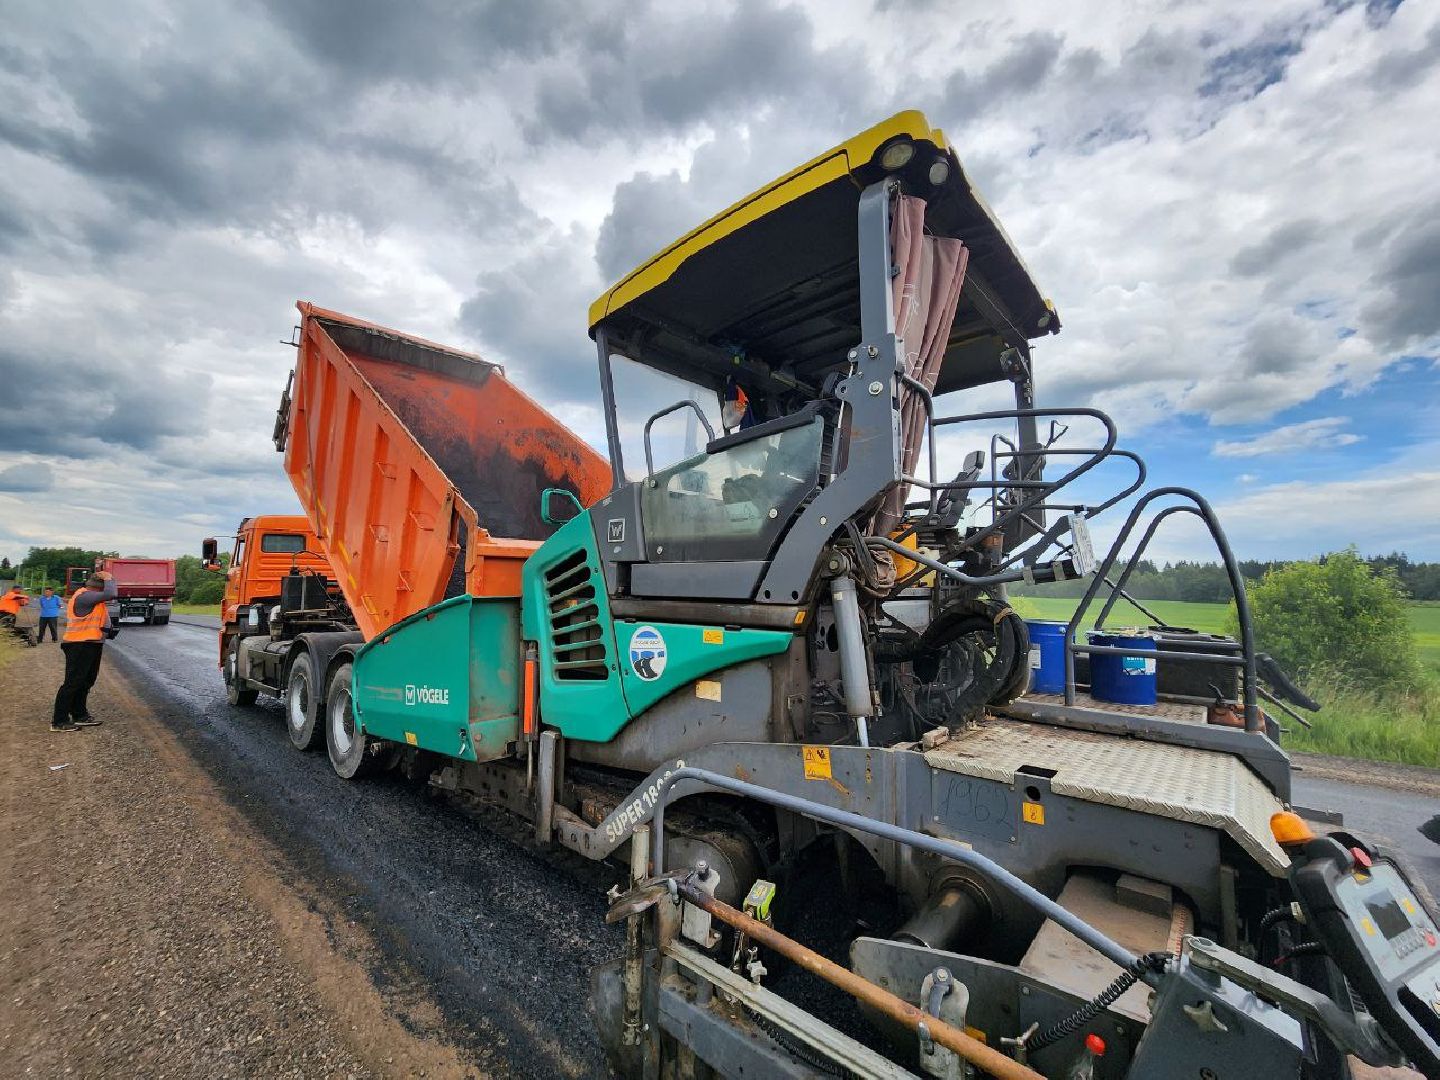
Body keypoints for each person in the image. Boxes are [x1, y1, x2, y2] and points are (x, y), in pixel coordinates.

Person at [52, 571, 116, 732]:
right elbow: (111, 593)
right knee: (72, 683)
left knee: (86, 682)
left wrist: (109, 630)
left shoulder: (93, 598)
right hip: (79, 645)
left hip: (91, 644)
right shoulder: (84, 596)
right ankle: (59, 721)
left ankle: (79, 715)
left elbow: (99, 618)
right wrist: (108, 579)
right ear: (97, 588)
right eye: (102, 588)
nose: (103, 593)